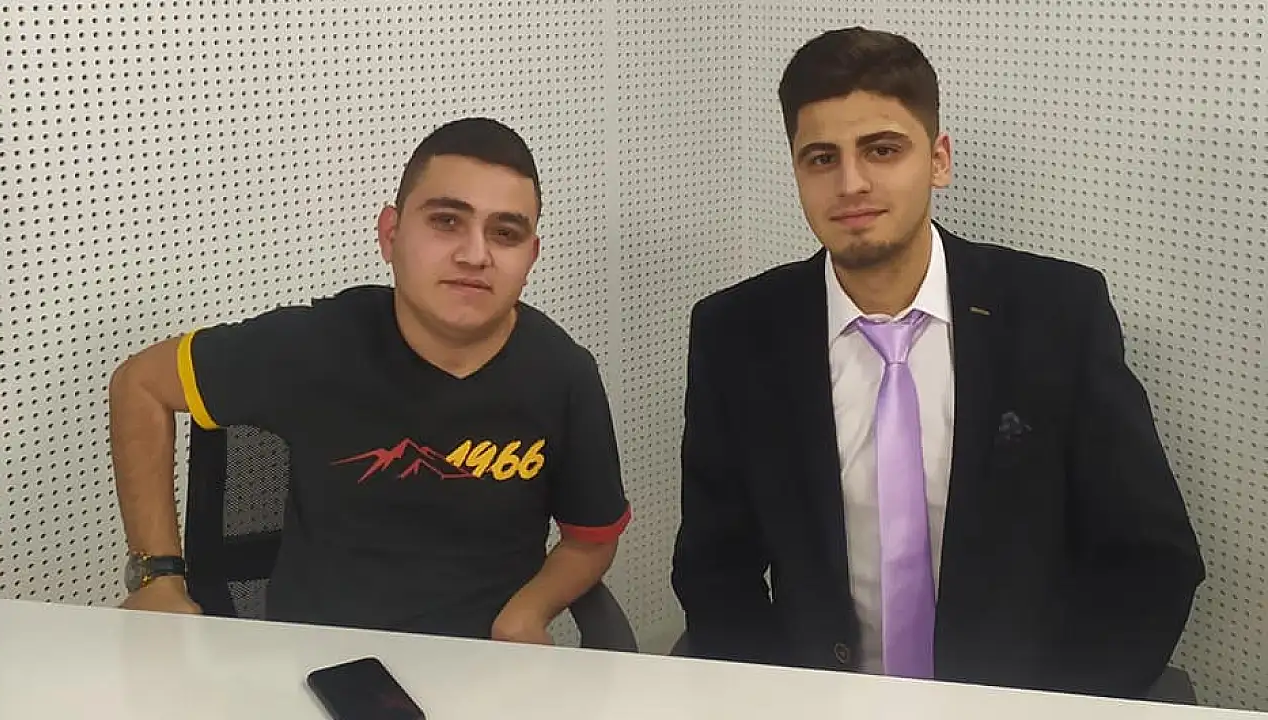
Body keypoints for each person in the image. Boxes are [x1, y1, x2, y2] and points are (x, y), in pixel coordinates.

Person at [670, 27, 1205, 698]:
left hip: (1020, 701)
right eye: (821, 158)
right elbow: (714, 568)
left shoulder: (1058, 315)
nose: (851, 183)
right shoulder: (737, 333)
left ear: (939, 159)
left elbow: (1151, 562)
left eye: (882, 149)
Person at [109, 117, 632, 644]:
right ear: (391, 234)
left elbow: (590, 540)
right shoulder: (315, 346)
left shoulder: (563, 374)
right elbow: (141, 384)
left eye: (505, 233)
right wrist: (157, 576)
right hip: (313, 658)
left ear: (530, 257)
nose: (476, 255)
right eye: (447, 221)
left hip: (483, 661)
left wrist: (527, 613)